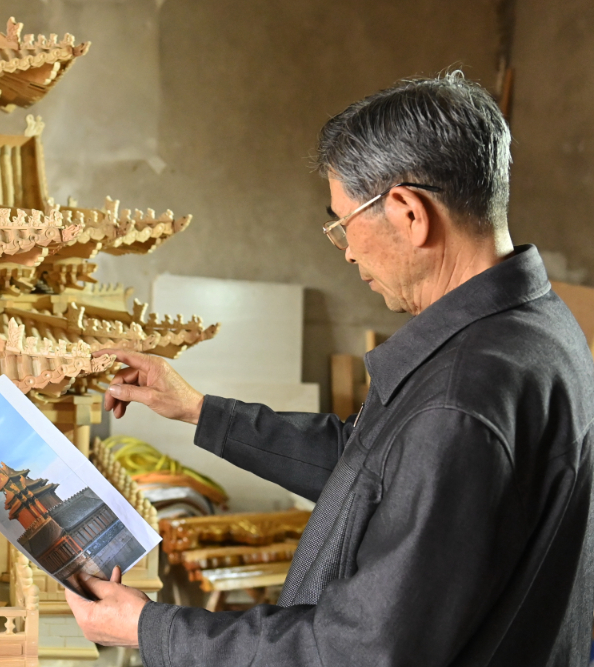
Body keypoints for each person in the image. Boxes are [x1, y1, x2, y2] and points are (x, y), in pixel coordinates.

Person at [67, 73, 594, 666]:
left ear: (408, 212)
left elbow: (357, 650)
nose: (345, 249)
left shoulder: (462, 397)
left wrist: (150, 628)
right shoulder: (535, 326)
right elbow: (373, 472)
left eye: (344, 223)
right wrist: (196, 408)